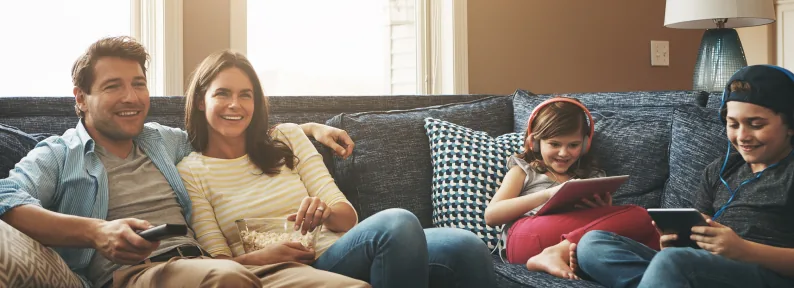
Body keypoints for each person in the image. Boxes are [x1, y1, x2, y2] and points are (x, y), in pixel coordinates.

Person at [0, 36, 370, 288]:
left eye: (138, 84)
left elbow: (229, 126)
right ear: (81, 98)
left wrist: (306, 129)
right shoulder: (59, 154)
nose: (131, 97)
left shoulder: (162, 140)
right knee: (228, 280)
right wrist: (96, 232)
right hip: (135, 273)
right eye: (113, 86)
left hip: (208, 263)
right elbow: (6, 198)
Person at [176, 49, 496, 288]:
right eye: (222, 94)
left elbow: (347, 218)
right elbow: (215, 261)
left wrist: (324, 212)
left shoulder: (286, 137)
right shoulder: (192, 171)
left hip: (334, 251)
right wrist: (258, 258)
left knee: (466, 245)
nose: (235, 105)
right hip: (282, 272)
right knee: (397, 222)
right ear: (202, 100)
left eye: (245, 95)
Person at [574, 65, 794, 288]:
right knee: (593, 244)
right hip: (704, 270)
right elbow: (699, 234)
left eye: (756, 125)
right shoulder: (720, 169)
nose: (742, 136)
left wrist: (744, 251)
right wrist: (678, 243)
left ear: (791, 125)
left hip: (765, 274)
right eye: (733, 124)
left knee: (673, 263)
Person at [484, 97, 659, 279]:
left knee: (644, 224)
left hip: (573, 243)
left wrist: (603, 211)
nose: (563, 153)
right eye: (554, 144)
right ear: (534, 143)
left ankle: (561, 254)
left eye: (573, 145)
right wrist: (549, 194)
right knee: (639, 214)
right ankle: (554, 254)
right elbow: (491, 216)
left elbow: (599, 229)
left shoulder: (592, 177)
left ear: (585, 145)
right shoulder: (524, 171)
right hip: (525, 237)